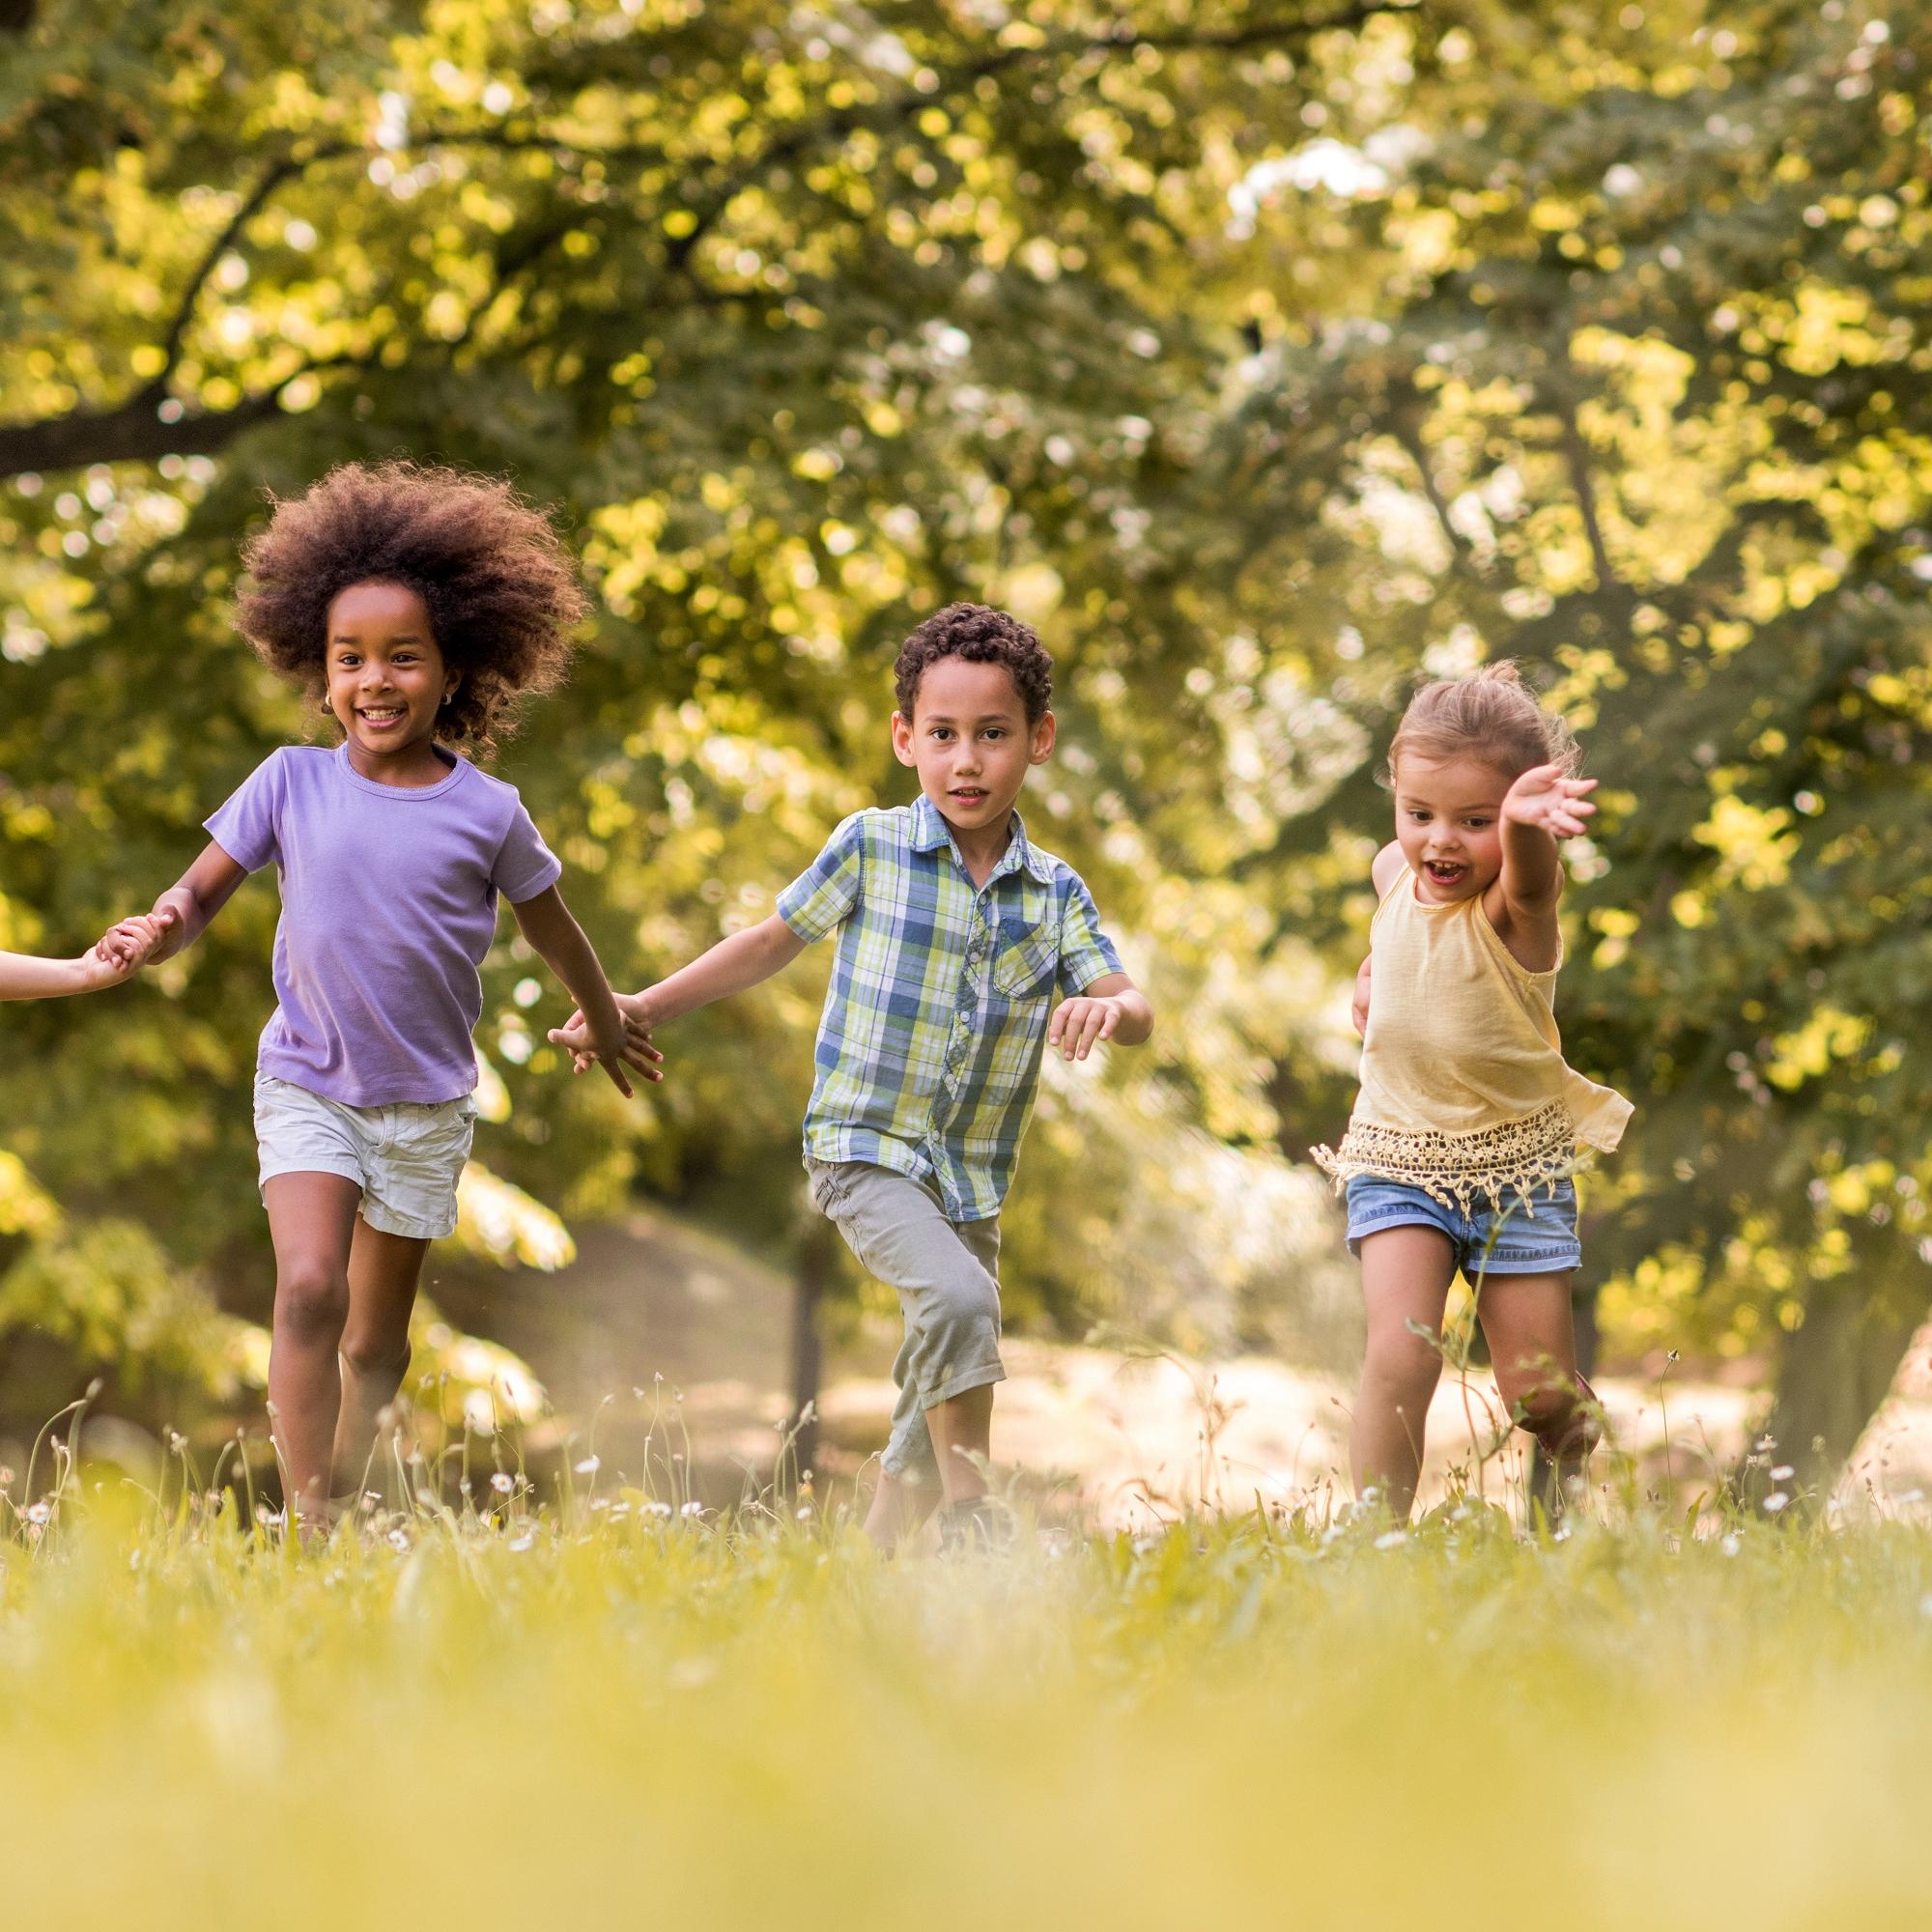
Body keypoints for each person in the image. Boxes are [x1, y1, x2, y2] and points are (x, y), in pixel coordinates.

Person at [99, 462, 657, 1531]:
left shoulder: (487, 812)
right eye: (350, 658)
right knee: (309, 1288)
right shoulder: (288, 781)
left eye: (403, 657)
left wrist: (608, 1011)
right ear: (320, 670)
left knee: (371, 1340)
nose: (375, 680)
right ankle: (313, 1521)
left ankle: (347, 1466)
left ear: (453, 671)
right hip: (306, 1079)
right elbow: (199, 889)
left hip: (423, 1105)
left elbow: (554, 925)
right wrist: (156, 928)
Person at [553, 603, 1153, 1550]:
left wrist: (1106, 1010)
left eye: (992, 735)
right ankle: (969, 1517)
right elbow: (766, 943)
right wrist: (641, 1006)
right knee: (961, 1305)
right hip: (863, 1150)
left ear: (1036, 741)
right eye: (943, 735)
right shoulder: (871, 845)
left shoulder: (1055, 893)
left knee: (939, 1376)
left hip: (971, 1176)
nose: (965, 760)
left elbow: (1134, 1006)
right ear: (904, 737)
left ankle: (869, 1576)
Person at [1313, 662, 1631, 1521]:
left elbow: (1530, 879)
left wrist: (1528, 832)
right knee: (1403, 1353)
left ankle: (1571, 1443)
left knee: (1536, 1397)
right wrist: (1376, 964)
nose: (1441, 842)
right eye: (1420, 814)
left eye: (1476, 822)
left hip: (1516, 1172)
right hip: (1400, 1153)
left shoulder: (1515, 911)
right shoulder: (1393, 871)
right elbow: (1402, 911)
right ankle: (1375, 1547)